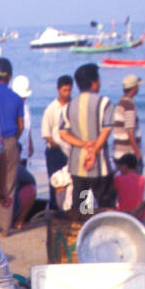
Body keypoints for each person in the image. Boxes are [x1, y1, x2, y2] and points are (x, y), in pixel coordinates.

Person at [59, 63, 116, 215]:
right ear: (94, 82)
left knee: (83, 206)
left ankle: (84, 230)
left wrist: (84, 145)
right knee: (105, 203)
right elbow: (106, 130)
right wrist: (94, 151)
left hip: (78, 165)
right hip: (100, 164)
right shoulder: (104, 103)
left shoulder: (69, 106)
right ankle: (104, 229)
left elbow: (63, 133)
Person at [0, 58, 24, 235]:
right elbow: (20, 126)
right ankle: (4, 229)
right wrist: (13, 140)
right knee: (8, 186)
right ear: (9, 77)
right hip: (9, 141)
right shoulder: (16, 98)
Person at [41, 76, 73, 209]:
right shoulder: (51, 108)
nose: (67, 93)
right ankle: (56, 209)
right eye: (64, 90)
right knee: (56, 182)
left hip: (72, 149)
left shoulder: (74, 106)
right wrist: (53, 143)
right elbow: (46, 132)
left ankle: (77, 209)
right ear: (58, 90)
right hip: (55, 150)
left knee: (75, 182)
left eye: (69, 90)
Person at [112, 75, 143, 172]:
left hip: (119, 151)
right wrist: (136, 150)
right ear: (134, 88)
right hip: (128, 153)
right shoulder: (129, 105)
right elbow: (130, 129)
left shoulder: (121, 103)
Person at [114, 153, 145, 219]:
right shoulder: (142, 179)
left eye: (119, 166)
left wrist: (115, 171)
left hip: (124, 212)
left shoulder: (118, 179)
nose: (119, 168)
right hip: (139, 213)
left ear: (124, 166)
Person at [12, 74, 34, 163]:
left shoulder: (26, 104)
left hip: (24, 149)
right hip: (15, 150)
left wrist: (30, 143)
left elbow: (27, 126)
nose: (24, 98)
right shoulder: (11, 105)